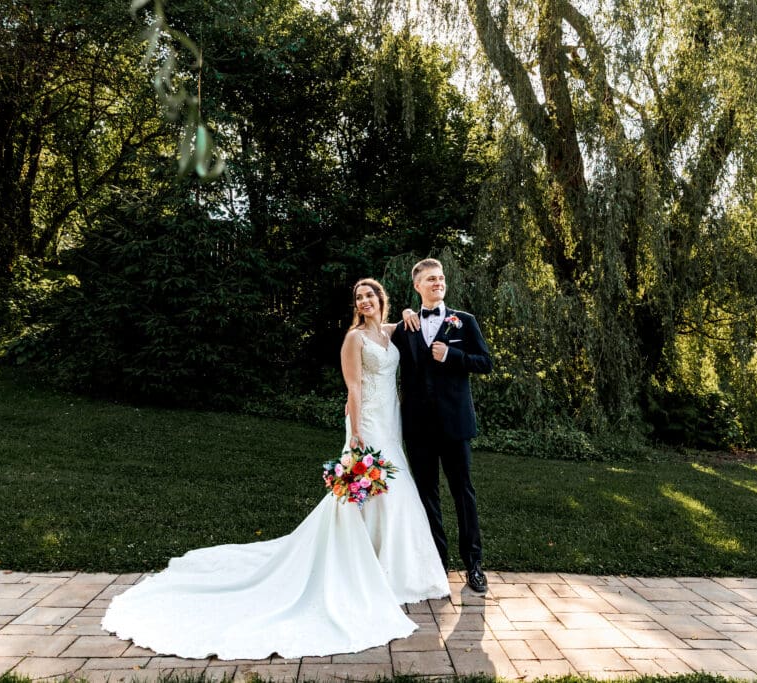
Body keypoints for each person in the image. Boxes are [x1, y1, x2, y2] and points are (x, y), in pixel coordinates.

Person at [101, 278, 449, 660]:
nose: (364, 301)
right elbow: (352, 387)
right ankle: (362, 568)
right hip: (368, 422)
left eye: (370, 295)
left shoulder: (388, 332)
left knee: (395, 494)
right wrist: (356, 433)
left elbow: (414, 321)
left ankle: (395, 570)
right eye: (358, 297)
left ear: (380, 299)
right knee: (371, 494)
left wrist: (408, 311)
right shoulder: (353, 339)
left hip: (391, 419)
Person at [393, 258, 493, 594]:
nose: (438, 283)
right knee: (427, 496)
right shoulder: (405, 328)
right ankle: (437, 562)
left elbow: (485, 363)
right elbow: (373, 338)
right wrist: (404, 314)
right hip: (418, 428)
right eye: (431, 279)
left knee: (463, 493)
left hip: (455, 425)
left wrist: (452, 356)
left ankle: (474, 565)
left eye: (442, 278)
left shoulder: (464, 322)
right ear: (417, 285)